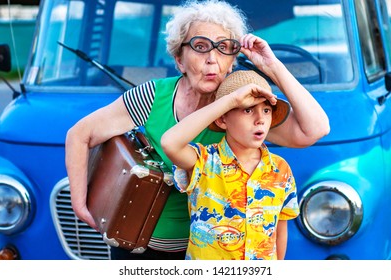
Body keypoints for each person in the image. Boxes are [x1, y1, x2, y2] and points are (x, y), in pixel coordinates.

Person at [65, 0, 329, 260]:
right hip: (137, 248)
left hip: (208, 255)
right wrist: (79, 204)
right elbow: (80, 135)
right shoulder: (152, 96)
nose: (212, 59)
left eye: (224, 48)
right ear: (179, 59)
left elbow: (315, 129)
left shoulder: (241, 110)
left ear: (232, 61)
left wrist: (272, 66)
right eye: (200, 47)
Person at [161, 70, 299, 260]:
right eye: (248, 110)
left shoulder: (280, 168)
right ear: (222, 119)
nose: (260, 119)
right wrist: (232, 100)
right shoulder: (205, 161)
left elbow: (280, 229)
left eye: (266, 110)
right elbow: (170, 143)